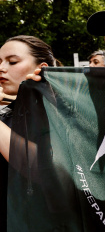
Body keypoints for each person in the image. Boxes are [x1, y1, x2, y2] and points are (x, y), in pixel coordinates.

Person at [0, 35, 56, 230]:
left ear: (41, 67)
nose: (2, 68)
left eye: (12, 61)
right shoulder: (6, 115)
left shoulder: (61, 115)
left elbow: (45, 170)